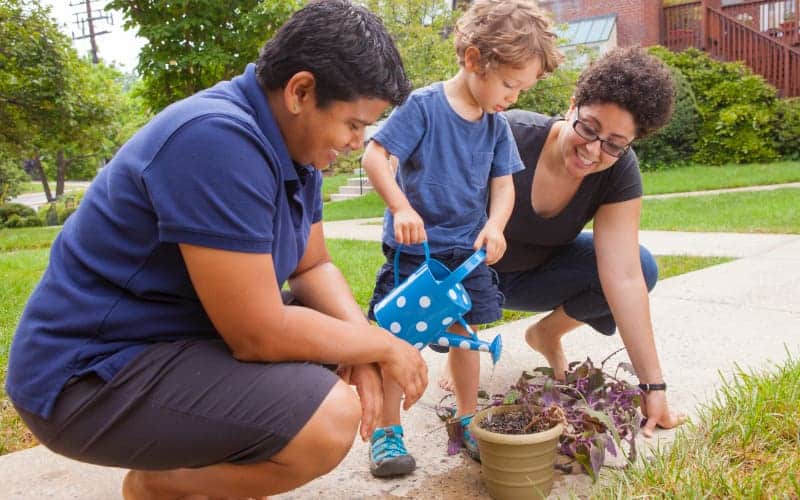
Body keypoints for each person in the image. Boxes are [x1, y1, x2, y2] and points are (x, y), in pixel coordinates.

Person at [5, 2, 429, 498]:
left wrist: (362, 344)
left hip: (173, 338)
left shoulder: (298, 149)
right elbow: (260, 334)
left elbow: (312, 266)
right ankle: (167, 487)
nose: (359, 142)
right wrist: (382, 345)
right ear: (301, 91)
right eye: (355, 124)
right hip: (86, 378)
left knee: (341, 350)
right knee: (328, 420)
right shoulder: (215, 140)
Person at [361, 0, 562, 477]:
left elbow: (503, 186)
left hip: (466, 255)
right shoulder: (423, 108)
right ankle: (388, 432)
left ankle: (467, 420)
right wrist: (401, 206)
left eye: (523, 89)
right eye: (510, 84)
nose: (513, 97)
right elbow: (375, 156)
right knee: (397, 337)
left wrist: (495, 225)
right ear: (474, 60)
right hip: (418, 253)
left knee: (467, 339)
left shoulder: (496, 126)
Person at [487, 46, 685, 438]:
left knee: (642, 267)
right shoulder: (507, 134)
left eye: (614, 143)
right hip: (475, 275)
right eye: (588, 128)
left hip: (535, 280)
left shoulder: (619, 172)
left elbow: (624, 276)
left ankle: (546, 334)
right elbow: (446, 227)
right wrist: (461, 341)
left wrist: (653, 386)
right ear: (572, 105)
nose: (593, 151)